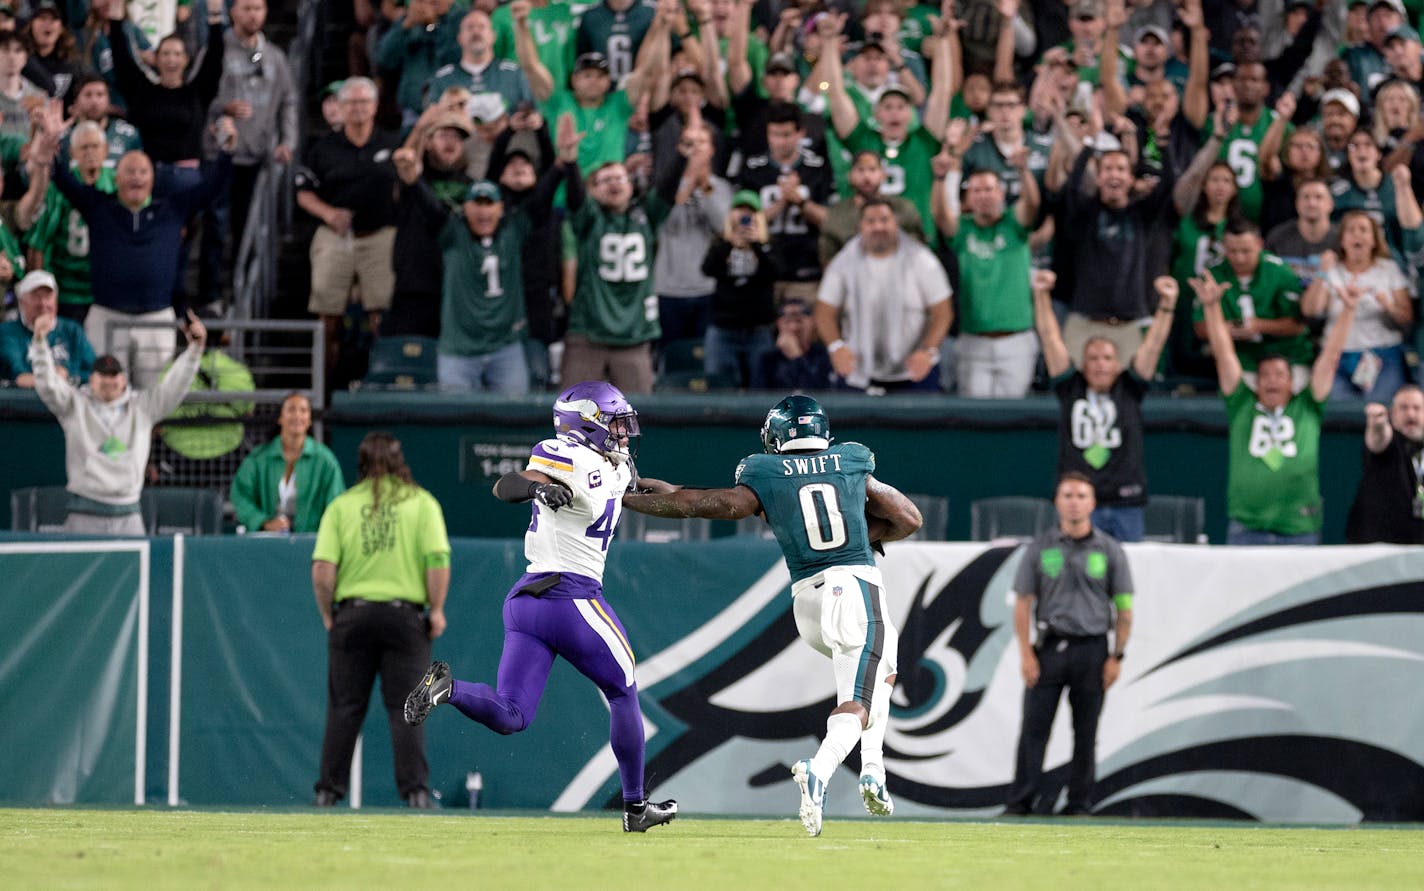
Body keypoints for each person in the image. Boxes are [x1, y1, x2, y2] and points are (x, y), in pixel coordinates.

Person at [620, 395, 922, 836]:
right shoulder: (851, 460)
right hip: (853, 586)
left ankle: (874, 768)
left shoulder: (764, 472)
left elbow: (704, 504)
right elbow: (908, 517)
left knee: (884, 670)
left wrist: (633, 498)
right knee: (859, 696)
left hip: (809, 604)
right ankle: (821, 769)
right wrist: (866, 535)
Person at [401, 381, 678, 833]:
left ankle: (449, 689)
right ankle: (634, 807)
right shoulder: (563, 452)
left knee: (513, 715)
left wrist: (702, 499)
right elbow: (506, 485)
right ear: (585, 423)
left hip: (526, 602)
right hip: (571, 595)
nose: (623, 433)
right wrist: (537, 491)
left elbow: (649, 489)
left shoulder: (616, 465)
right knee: (623, 689)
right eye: (614, 423)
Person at [43, 107, 237, 388]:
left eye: (142, 171)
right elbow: (63, 180)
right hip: (106, 315)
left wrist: (227, 150)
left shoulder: (172, 209)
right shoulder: (98, 206)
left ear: (153, 178)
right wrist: (54, 143)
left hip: (156, 317)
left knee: (151, 400)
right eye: (129, 171)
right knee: (104, 395)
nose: (136, 177)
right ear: (117, 177)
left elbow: (213, 186)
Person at [311, 432, 450, 809]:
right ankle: (416, 793)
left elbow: (323, 570)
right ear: (399, 459)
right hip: (404, 617)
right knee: (408, 706)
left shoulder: (342, 505)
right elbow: (437, 560)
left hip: (352, 615)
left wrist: (329, 614)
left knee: (344, 707)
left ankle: (327, 792)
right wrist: (435, 610)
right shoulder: (421, 503)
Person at [1193, 266, 1359, 545]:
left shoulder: (1307, 406)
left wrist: (1348, 310)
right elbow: (1223, 352)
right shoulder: (1241, 404)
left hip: (1299, 527)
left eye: (1279, 375)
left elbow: (1330, 357)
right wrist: (1211, 307)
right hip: (1247, 527)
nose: (1272, 381)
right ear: (1255, 383)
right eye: (1265, 376)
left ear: (1292, 381)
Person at [1004, 471, 1134, 817]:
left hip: (1093, 650)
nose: (1074, 502)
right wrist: (1026, 653)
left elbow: (1124, 608)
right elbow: (1023, 603)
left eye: (1081, 495)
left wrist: (1117, 655)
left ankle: (1079, 804)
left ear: (1092, 503)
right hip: (1049, 648)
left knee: (1086, 732)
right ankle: (1021, 803)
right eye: (1067, 495)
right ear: (1056, 502)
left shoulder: (1109, 550)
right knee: (1034, 730)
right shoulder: (1040, 548)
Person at [28, 310, 207, 534]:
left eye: (114, 375)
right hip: (84, 512)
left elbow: (175, 387)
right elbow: (47, 383)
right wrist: (39, 341)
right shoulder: (74, 406)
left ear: (124, 380)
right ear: (92, 379)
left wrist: (194, 352)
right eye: (103, 375)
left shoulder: (143, 407)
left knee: (136, 570)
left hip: (129, 514)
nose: (109, 381)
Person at [1034, 270, 1176, 543]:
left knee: (1127, 575)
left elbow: (1154, 344)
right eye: (1093, 358)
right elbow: (1050, 337)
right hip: (1079, 505)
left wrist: (1167, 304)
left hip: (1126, 504)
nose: (1100, 363)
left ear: (1118, 364)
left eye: (1107, 358)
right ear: (1083, 364)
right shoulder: (1070, 387)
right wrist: (1041, 295)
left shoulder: (1130, 388)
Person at [294, 76, 401, 375]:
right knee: (327, 316)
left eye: (364, 102)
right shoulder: (322, 148)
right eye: (351, 102)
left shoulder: (391, 143)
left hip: (379, 235)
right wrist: (328, 213)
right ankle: (325, 389)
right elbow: (303, 192)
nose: (357, 108)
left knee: (383, 314)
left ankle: (384, 381)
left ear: (375, 106)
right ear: (340, 107)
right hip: (335, 235)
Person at [815, 197, 952, 394]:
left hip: (914, 371)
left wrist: (928, 351)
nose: (878, 227)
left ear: (895, 223)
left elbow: (943, 312)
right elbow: (824, 311)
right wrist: (836, 347)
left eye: (885, 220)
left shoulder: (921, 259)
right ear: (861, 226)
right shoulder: (843, 262)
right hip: (858, 372)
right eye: (871, 221)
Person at [230, 392, 346, 534]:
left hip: (312, 541)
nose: (297, 415)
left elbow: (336, 503)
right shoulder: (259, 458)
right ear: (280, 418)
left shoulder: (325, 460)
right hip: (265, 541)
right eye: (291, 410)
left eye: (303, 410)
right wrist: (263, 522)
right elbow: (240, 496)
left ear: (309, 419)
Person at [1345, 385, 1424, 544]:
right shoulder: (1391, 442)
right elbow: (1378, 439)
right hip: (1378, 545)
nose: (1410, 414)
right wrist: (1377, 423)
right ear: (1392, 414)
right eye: (1404, 408)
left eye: (1417, 408)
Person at [0, 269, 94, 387]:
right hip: (20, 402)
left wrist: (68, 374)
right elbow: (17, 373)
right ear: (21, 302)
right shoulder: (7, 332)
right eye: (36, 297)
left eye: (48, 296)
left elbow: (93, 372)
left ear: (56, 300)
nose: (43, 303)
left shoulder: (72, 330)